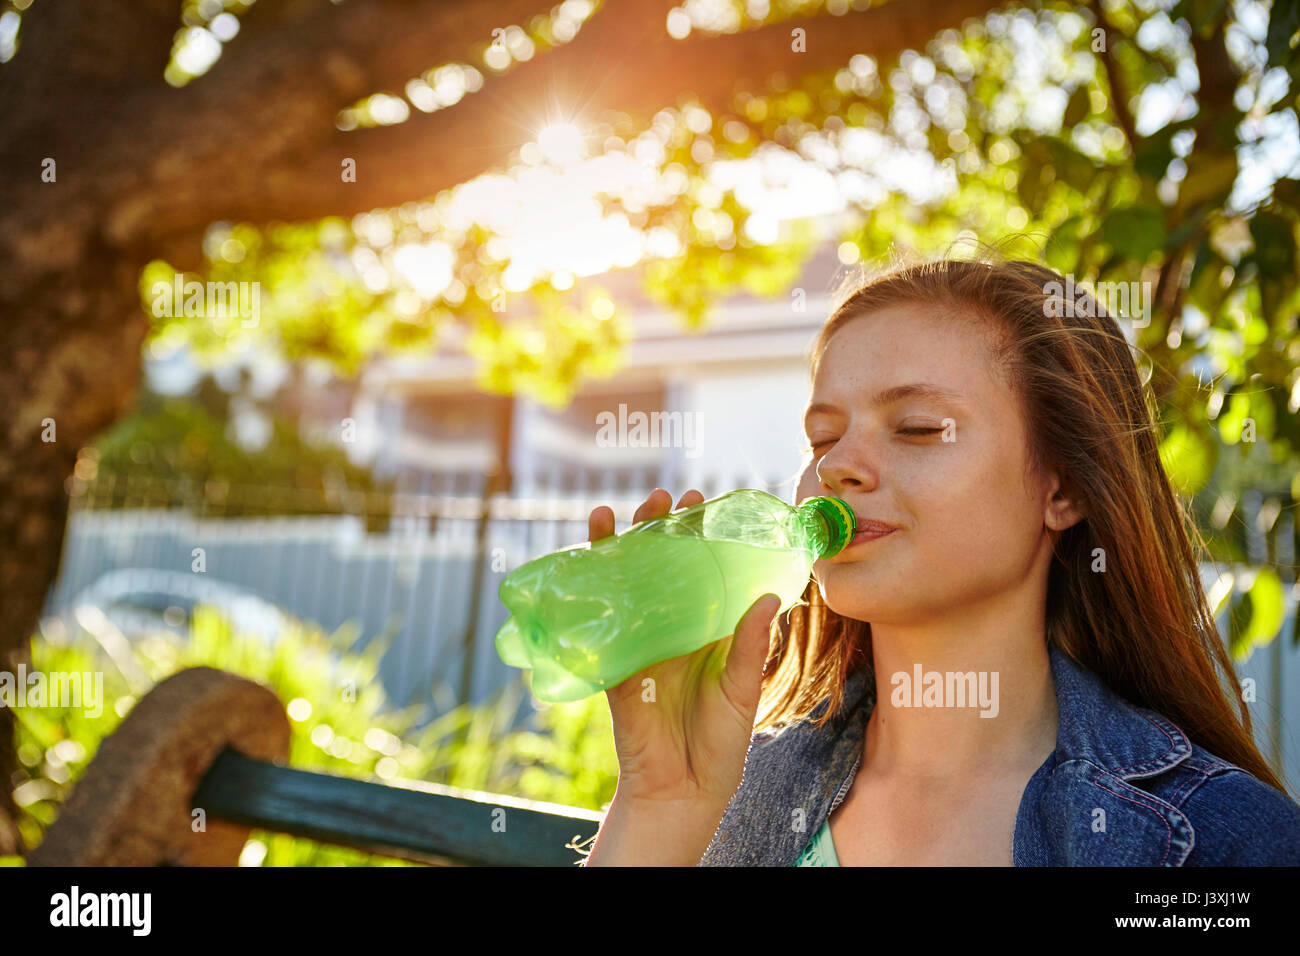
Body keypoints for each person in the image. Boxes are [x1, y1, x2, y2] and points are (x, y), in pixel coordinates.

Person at [581, 251, 1300, 866]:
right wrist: (659, 809)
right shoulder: (731, 791)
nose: (839, 468)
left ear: (1063, 488)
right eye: (823, 437)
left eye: (919, 429)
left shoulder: (1225, 842)